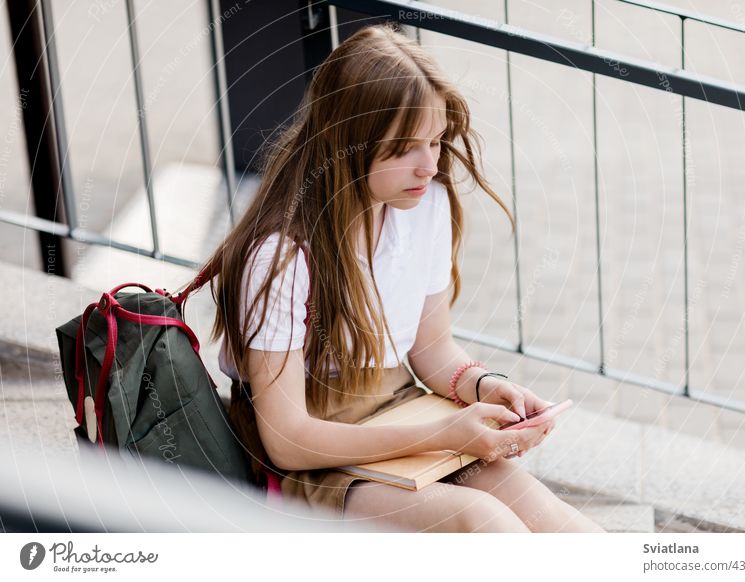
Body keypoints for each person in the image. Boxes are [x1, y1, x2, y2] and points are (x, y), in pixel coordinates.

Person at [199, 24, 605, 533]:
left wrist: (488, 387)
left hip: (403, 413)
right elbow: (289, 439)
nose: (429, 165)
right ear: (346, 142)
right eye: (404, 147)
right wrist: (446, 434)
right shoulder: (281, 256)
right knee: (485, 527)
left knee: (571, 534)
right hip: (314, 460)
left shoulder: (424, 205)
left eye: (435, 141)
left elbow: (433, 352)